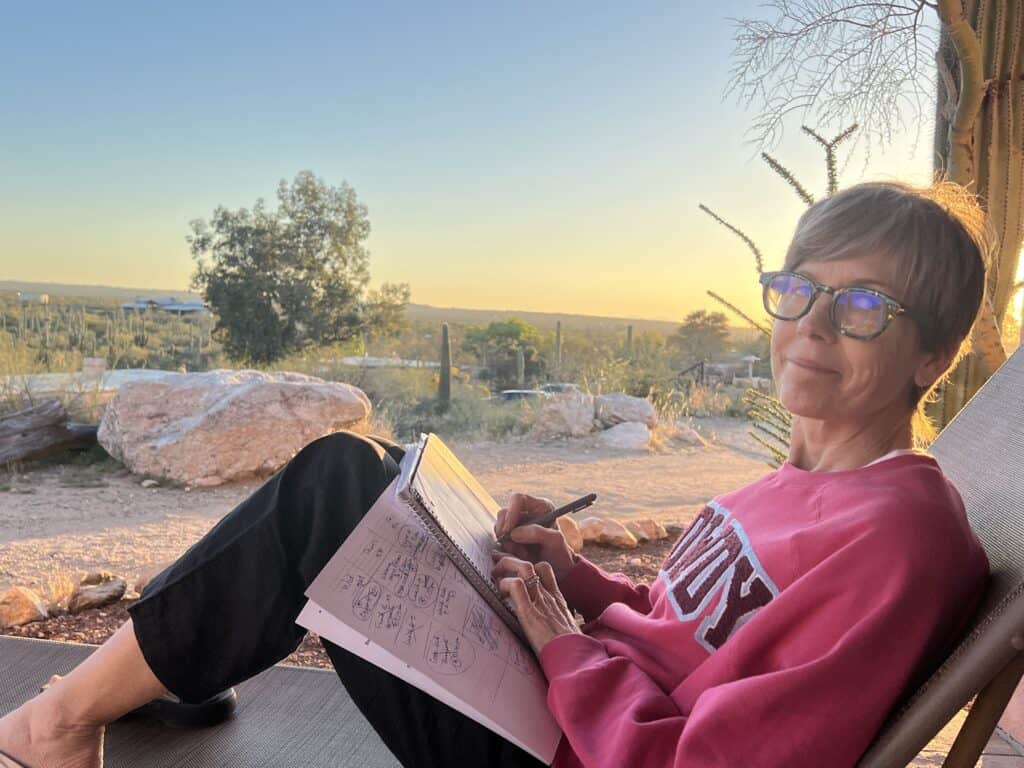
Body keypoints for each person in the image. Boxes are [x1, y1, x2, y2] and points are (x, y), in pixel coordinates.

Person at [0, 180, 992, 768]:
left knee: (339, 491)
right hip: (569, 706)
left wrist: (562, 648)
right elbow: (691, 632)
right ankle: (157, 666)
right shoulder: (790, 482)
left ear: (932, 358)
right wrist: (574, 581)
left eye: (863, 306)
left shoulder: (896, 541)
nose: (812, 323)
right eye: (797, 291)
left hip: (564, 751)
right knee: (385, 481)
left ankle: (55, 722)